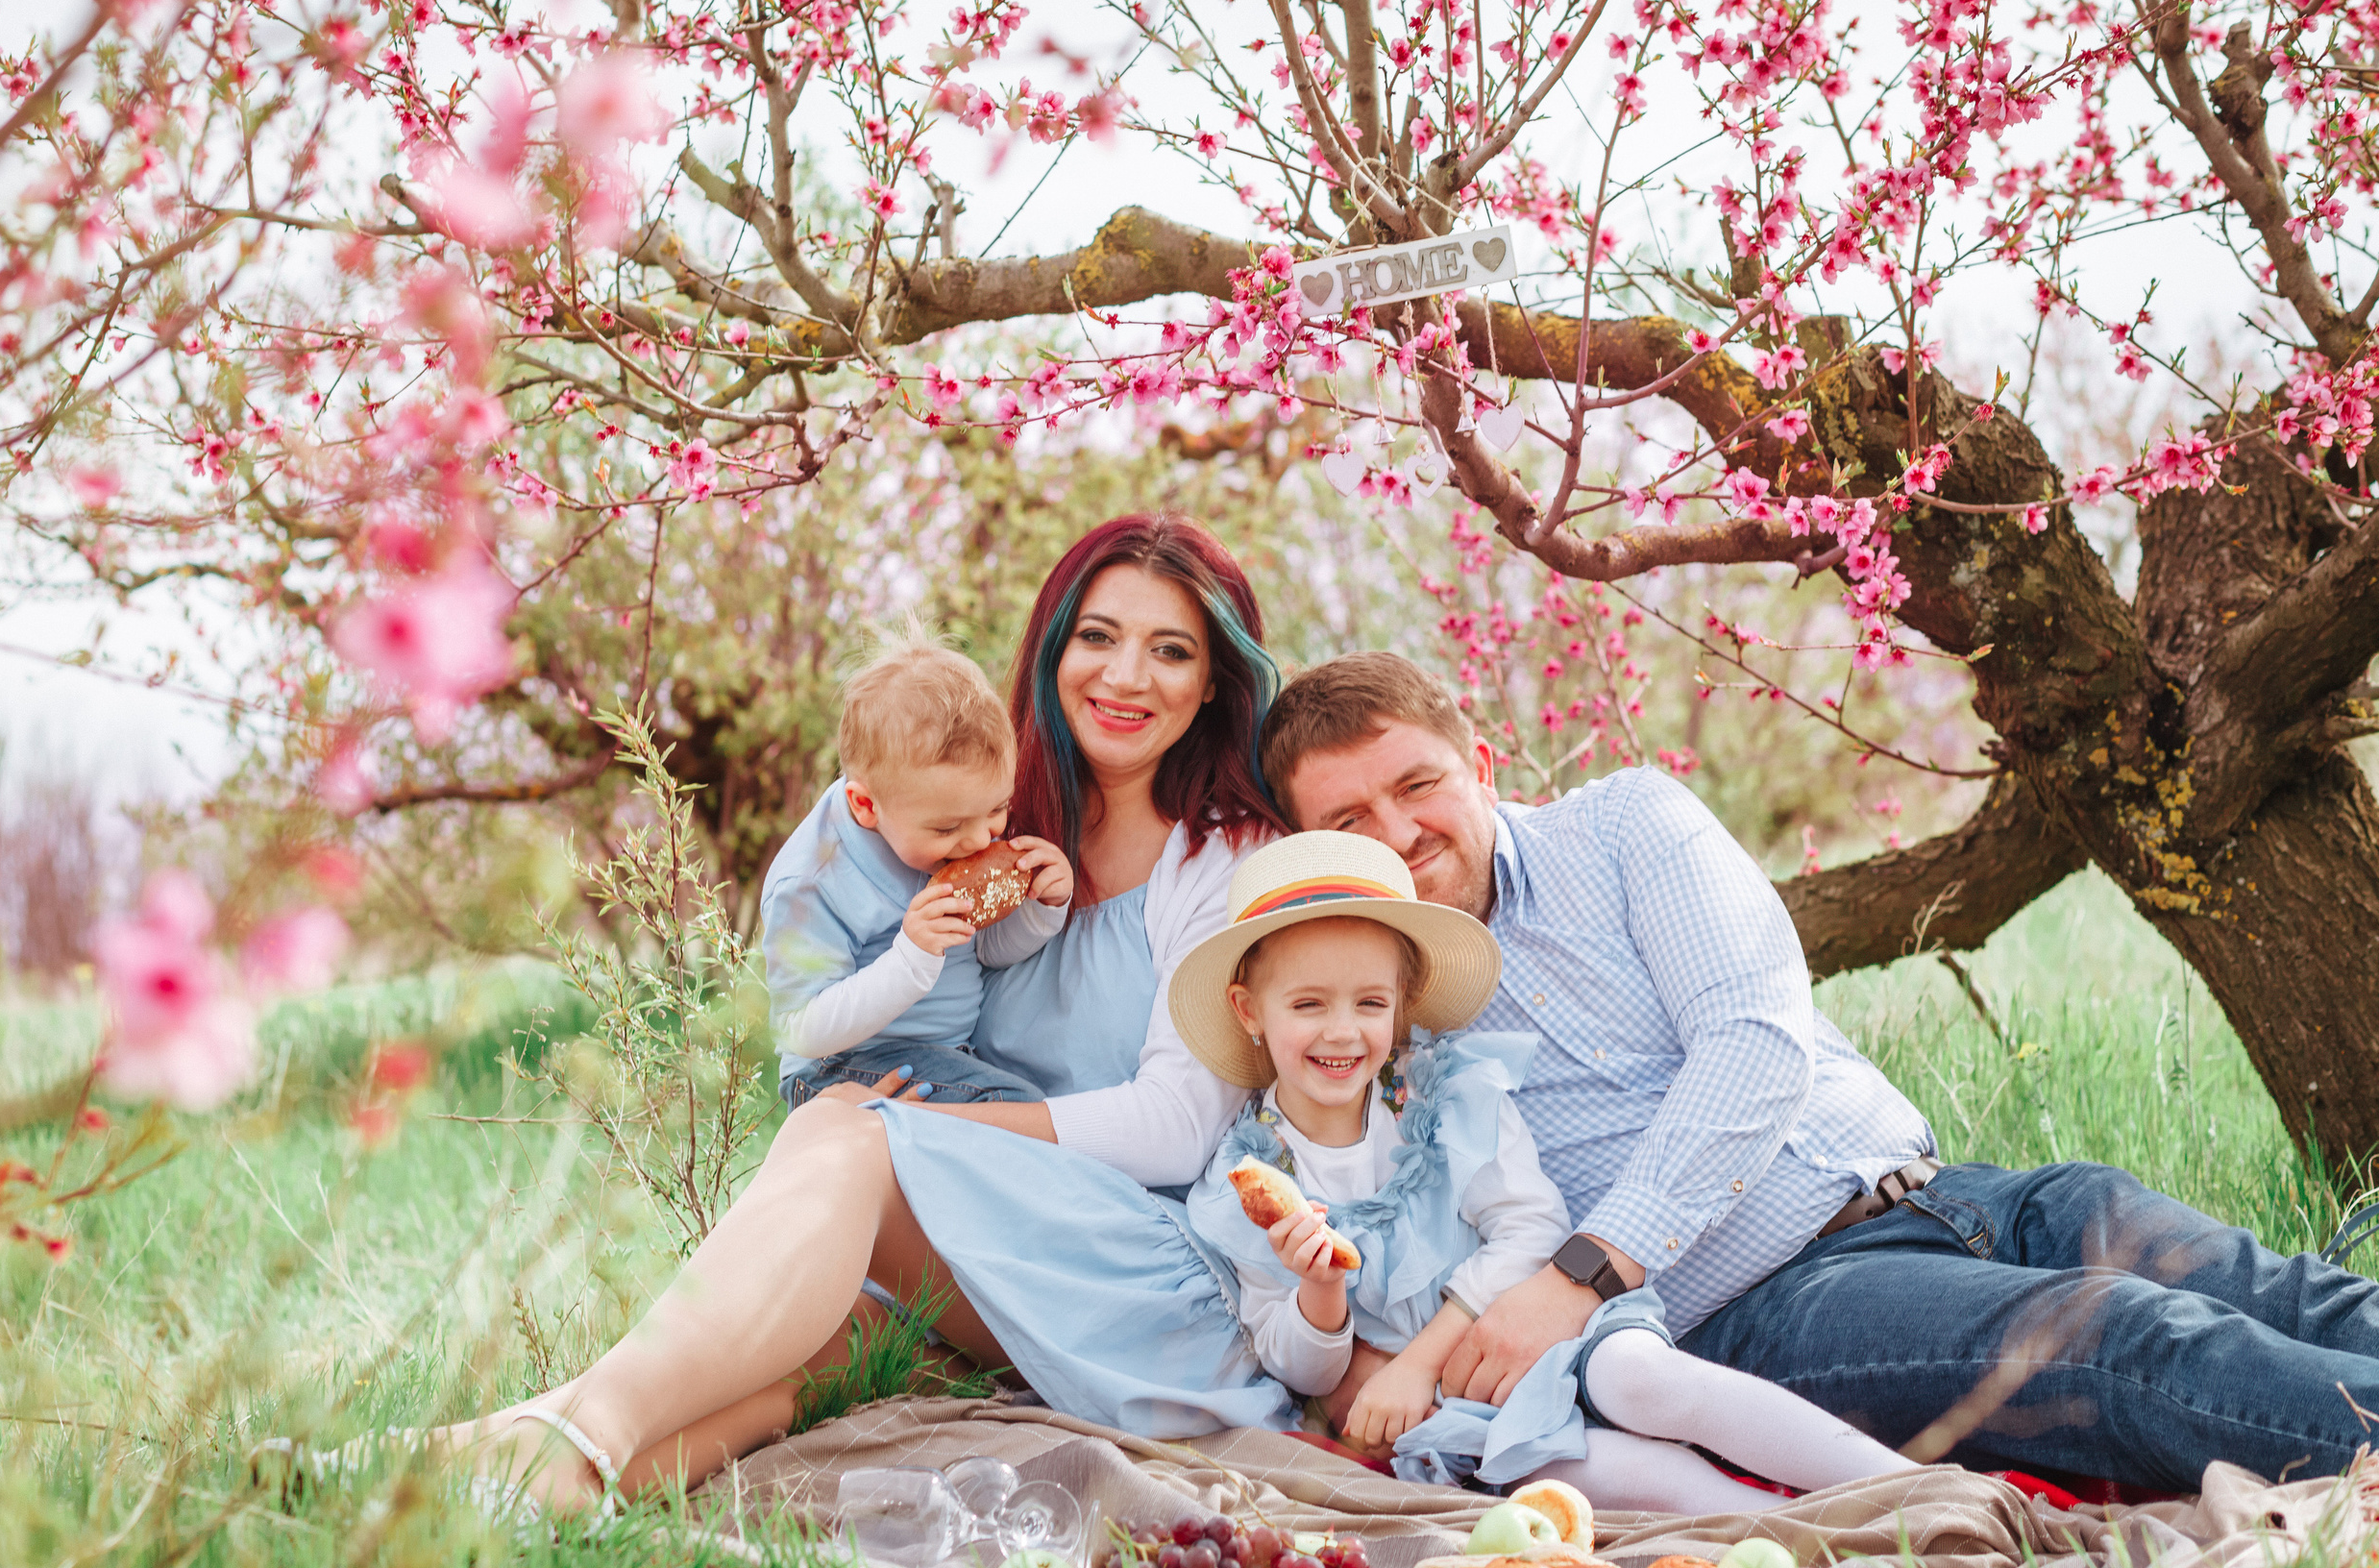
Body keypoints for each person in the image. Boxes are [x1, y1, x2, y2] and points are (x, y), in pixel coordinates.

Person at [303, 515, 1301, 1515]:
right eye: (1097, 636)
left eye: (1170, 650)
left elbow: (1176, 1129)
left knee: (849, 1131)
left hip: (1147, 1274)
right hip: (1000, 1234)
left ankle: (575, 1433)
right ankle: (518, 1473)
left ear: (1213, 679)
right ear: (1052, 650)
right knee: (802, 1346)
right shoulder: (991, 822)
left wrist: (920, 1130)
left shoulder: (1224, 856)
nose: (1125, 675)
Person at [1257, 650, 2379, 1494]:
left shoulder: (1625, 825)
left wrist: (1583, 1266)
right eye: (1349, 819)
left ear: (1482, 766)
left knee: (2273, 1289)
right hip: (1777, 1305)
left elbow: (1754, 1039)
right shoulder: (1372, 1026)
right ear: (1312, 847)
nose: (1397, 831)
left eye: (1417, 786)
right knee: (2124, 1340)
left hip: (1948, 1190)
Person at [1172, 831, 1916, 1511]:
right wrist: (1321, 1289)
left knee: (1641, 1378)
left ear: (1402, 1009)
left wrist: (1417, 1363)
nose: (1342, 1030)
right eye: (1307, 1003)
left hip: (1551, 1332)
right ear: (1249, 1009)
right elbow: (1294, 1364)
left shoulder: (1450, 1097)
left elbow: (1532, 1228)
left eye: (1370, 1001)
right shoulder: (1247, 1185)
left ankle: (1906, 1491)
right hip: (1464, 1415)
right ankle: (1796, 1529)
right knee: (1566, 1474)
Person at [760, 628, 1073, 1107]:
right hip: (841, 1069)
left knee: (1039, 1099)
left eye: (996, 810)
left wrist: (1042, 909)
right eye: (947, 828)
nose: (978, 840)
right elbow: (799, 1028)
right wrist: (911, 957)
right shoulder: (814, 880)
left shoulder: (940, 834)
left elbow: (984, 951)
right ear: (866, 805)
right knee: (1016, 1110)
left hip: (947, 1056)